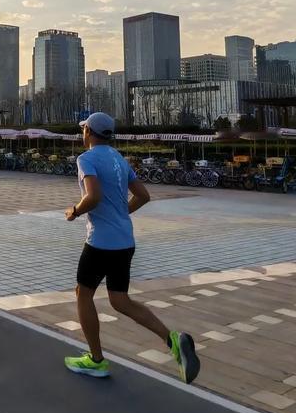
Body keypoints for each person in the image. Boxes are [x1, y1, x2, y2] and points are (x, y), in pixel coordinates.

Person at [62, 112, 200, 384]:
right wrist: (119, 214)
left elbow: (93, 196)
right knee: (120, 300)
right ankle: (172, 339)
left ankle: (96, 360)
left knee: (82, 294)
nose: (82, 133)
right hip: (125, 241)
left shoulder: (86, 159)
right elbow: (143, 195)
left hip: (101, 242)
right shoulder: (118, 159)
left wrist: (74, 211)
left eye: (84, 129)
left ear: (89, 131)